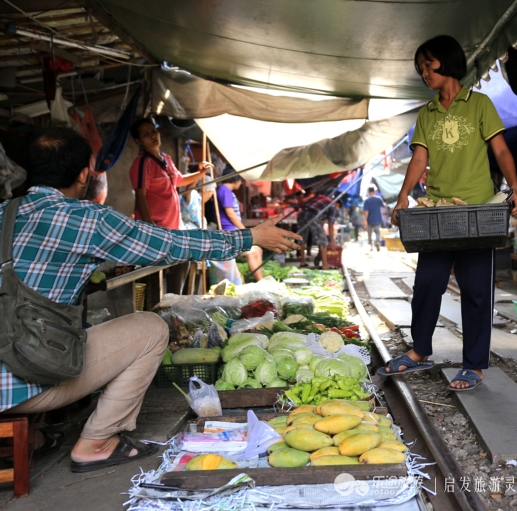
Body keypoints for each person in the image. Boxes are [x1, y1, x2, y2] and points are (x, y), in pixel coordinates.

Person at [0, 127, 300, 472]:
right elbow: (168, 244)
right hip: (25, 380)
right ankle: (97, 442)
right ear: (84, 176)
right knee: (150, 327)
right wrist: (249, 237)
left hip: (12, 359)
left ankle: (35, 439)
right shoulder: (85, 219)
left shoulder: (3, 214)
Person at [382, 35, 517, 391]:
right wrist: (402, 199)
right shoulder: (426, 113)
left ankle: (473, 364)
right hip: (437, 212)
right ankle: (420, 350)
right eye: (421, 68)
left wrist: (513, 188)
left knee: (476, 290)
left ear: (449, 62)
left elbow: (501, 151)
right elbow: (420, 158)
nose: (425, 72)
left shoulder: (480, 105)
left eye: (430, 64)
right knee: (427, 284)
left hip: (478, 211)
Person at [129, 117, 207, 295]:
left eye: (153, 131)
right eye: (146, 134)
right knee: (153, 276)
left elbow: (179, 180)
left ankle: (173, 303)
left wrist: (201, 172)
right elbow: (140, 196)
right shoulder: (142, 164)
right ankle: (157, 310)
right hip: (156, 229)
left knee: (183, 261)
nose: (153, 136)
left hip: (173, 228)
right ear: (138, 141)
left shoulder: (166, 158)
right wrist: (150, 228)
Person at [213, 168, 264, 282]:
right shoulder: (225, 190)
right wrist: (244, 230)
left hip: (233, 232)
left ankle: (261, 280)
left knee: (258, 249)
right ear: (235, 179)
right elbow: (230, 214)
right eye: (240, 180)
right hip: (230, 233)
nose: (241, 183)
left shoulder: (225, 190)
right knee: (252, 252)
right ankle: (260, 281)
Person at [296, 189, 336, 268]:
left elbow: (303, 203)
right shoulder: (333, 206)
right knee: (322, 240)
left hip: (301, 214)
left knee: (301, 238)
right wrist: (332, 241)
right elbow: (331, 225)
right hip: (312, 216)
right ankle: (325, 264)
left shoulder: (319, 197)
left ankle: (302, 262)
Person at [362, 186, 384, 251]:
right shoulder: (379, 199)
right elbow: (383, 207)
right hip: (377, 219)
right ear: (374, 191)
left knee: (369, 234)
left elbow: (366, 211)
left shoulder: (367, 201)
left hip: (369, 220)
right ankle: (377, 241)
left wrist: (365, 220)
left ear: (368, 192)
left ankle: (371, 247)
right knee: (377, 232)